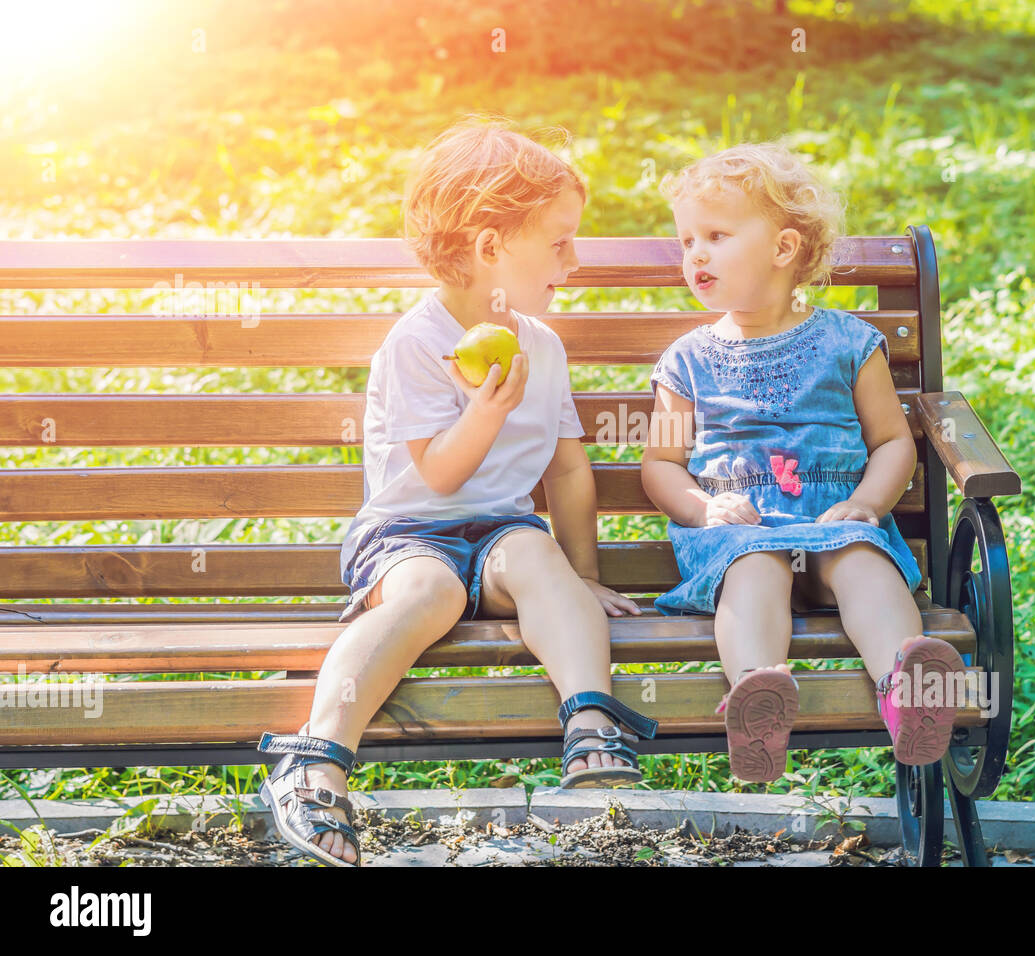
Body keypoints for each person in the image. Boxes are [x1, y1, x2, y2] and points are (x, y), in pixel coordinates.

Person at [256, 119, 657, 867]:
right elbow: (437, 475)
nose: (574, 259)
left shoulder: (541, 343)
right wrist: (485, 412)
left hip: (502, 531)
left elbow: (567, 471)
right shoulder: (417, 343)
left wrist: (587, 574)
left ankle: (591, 720)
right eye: (560, 242)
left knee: (544, 566)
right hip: (409, 536)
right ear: (489, 246)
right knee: (428, 597)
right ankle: (313, 765)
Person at [640, 142, 964, 784]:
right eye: (686, 241)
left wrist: (869, 504)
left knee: (862, 561)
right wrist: (704, 509)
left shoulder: (849, 343)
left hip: (835, 524)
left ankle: (909, 687)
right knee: (758, 567)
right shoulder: (687, 359)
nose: (695, 254)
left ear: (783, 250)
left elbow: (893, 442)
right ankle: (759, 699)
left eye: (715, 235)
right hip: (743, 536)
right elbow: (661, 465)